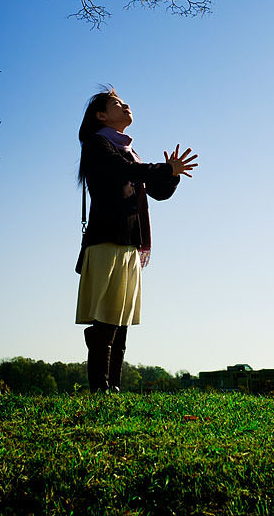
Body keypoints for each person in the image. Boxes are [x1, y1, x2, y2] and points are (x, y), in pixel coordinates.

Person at [75, 87, 197, 393]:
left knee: (121, 318)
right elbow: (126, 172)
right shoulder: (96, 144)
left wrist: (173, 174)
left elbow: (158, 191)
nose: (126, 105)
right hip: (106, 239)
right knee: (106, 317)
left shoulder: (129, 151)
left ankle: (112, 387)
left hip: (129, 242)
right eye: (117, 103)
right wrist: (163, 169)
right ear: (101, 115)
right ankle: (100, 388)